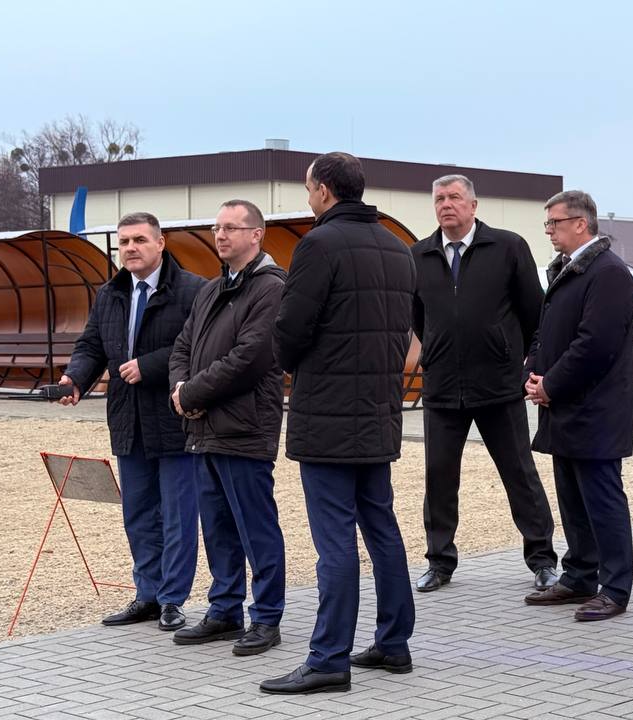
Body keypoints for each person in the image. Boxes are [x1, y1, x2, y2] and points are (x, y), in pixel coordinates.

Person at [261, 152, 417, 695]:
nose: (308, 198)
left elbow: (291, 327)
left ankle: (328, 658)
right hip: (378, 411)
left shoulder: (319, 244)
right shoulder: (397, 248)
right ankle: (394, 642)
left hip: (327, 416)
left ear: (324, 190)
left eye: (309, 189)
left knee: (335, 542)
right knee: (381, 528)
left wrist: (287, 359)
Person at [411, 173, 558, 594]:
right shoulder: (418, 255)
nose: (446, 204)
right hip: (442, 389)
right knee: (439, 478)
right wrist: (436, 351)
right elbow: (417, 318)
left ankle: (543, 560)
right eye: (439, 198)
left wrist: (517, 359)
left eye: (455, 197)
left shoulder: (508, 247)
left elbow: (534, 314)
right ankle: (439, 562)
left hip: (498, 386)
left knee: (519, 473)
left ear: (473, 205)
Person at [59, 211, 203, 631]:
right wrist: (75, 378)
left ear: (160, 243)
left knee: (177, 516)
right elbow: (92, 344)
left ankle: (173, 599)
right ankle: (148, 595)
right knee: (138, 514)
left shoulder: (193, 290)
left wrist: (149, 365)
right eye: (124, 242)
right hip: (128, 421)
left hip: (174, 421)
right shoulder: (110, 294)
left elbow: (198, 348)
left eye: (139, 240)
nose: (130, 248)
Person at [167, 200, 288, 657]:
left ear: (256, 235)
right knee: (217, 528)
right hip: (205, 429)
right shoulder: (212, 289)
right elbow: (182, 345)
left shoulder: (270, 288)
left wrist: (192, 394)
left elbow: (250, 358)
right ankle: (224, 610)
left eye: (231, 228)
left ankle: (267, 617)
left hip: (244, 429)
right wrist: (181, 388)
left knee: (256, 528)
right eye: (217, 228)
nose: (220, 235)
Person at [521, 190, 633, 622]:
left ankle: (616, 587)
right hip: (565, 410)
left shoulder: (608, 274)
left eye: (554, 222)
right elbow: (545, 331)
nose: (548, 231)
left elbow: (596, 345)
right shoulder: (566, 269)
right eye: (548, 223)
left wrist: (551, 385)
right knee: (573, 501)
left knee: (603, 503)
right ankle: (580, 576)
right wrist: (533, 372)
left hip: (596, 412)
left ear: (581, 223)